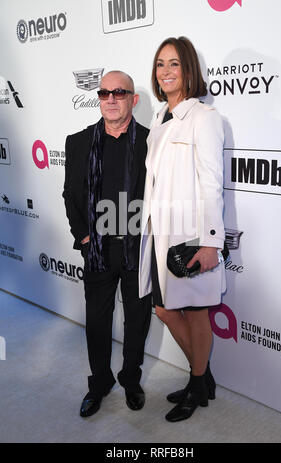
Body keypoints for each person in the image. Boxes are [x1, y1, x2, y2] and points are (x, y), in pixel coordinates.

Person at [139, 37, 226, 422]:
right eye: (160, 64)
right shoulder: (159, 117)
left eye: (174, 64)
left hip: (190, 235)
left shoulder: (205, 118)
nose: (166, 72)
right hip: (161, 234)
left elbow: (211, 183)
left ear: (188, 70)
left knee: (194, 313)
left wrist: (210, 243)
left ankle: (196, 384)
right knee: (163, 308)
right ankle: (202, 377)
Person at [63, 71, 152, 418]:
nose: (111, 99)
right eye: (104, 93)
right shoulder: (78, 141)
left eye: (119, 92)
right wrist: (84, 237)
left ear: (134, 99)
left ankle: (131, 379)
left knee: (137, 320)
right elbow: (71, 194)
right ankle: (99, 383)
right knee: (97, 322)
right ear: (98, 98)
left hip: (137, 247)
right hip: (98, 249)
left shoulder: (152, 141)